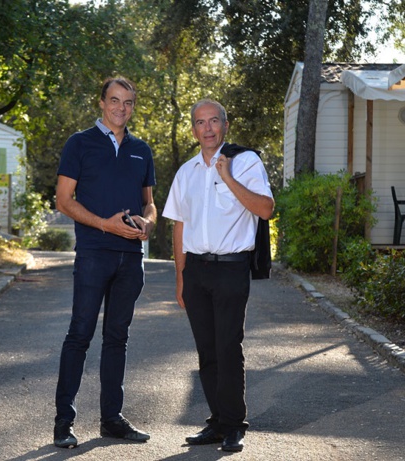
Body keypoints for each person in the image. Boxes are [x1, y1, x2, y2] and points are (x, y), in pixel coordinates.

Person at [162, 99, 274, 452]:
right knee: (207, 350)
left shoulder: (245, 162)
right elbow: (180, 227)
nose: (207, 128)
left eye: (213, 121)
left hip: (230, 269)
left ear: (225, 125)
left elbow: (266, 209)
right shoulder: (186, 172)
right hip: (196, 271)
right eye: (200, 122)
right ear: (193, 129)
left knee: (228, 347)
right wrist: (180, 277)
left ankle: (234, 424)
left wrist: (226, 177)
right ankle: (216, 421)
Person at [53, 77, 157, 448]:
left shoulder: (141, 150)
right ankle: (64, 422)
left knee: (117, 339)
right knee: (79, 335)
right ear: (101, 103)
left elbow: (150, 203)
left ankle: (112, 420)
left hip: (131, 258)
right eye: (114, 100)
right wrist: (104, 224)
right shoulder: (79, 143)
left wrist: (148, 221)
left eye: (128, 102)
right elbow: (64, 200)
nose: (121, 108)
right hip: (94, 254)